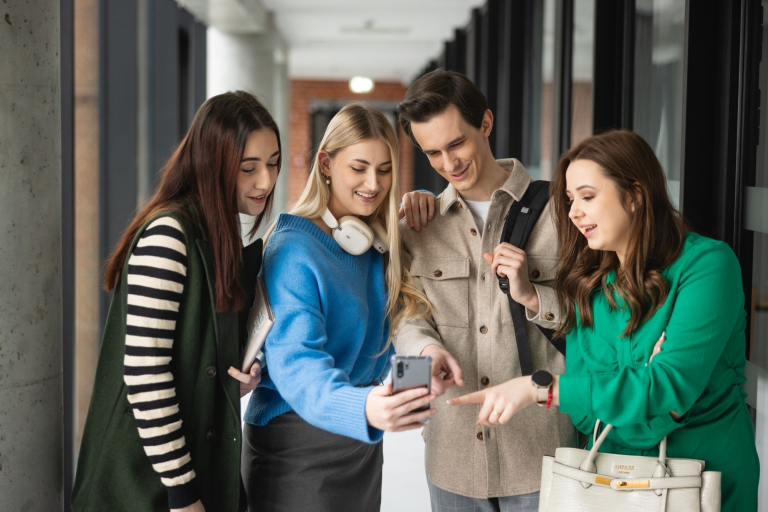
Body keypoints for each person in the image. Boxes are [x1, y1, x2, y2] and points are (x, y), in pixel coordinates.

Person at [449, 130, 760, 512]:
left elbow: (666, 386)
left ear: (635, 195)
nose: (574, 211)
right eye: (570, 199)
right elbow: (588, 411)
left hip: (699, 481)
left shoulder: (708, 266)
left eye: (588, 196)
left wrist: (540, 388)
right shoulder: (591, 283)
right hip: (610, 485)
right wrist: (655, 400)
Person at [72, 91, 280, 512]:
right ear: (213, 164)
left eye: (273, 163)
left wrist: (233, 379)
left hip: (188, 471)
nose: (266, 181)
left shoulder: (216, 236)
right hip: (144, 480)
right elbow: (145, 373)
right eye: (248, 168)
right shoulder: (169, 234)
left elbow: (193, 361)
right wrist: (183, 492)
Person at [394, 69, 577, 511]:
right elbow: (405, 317)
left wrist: (535, 297)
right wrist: (421, 356)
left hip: (543, 453)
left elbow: (595, 324)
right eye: (432, 152)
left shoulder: (564, 214)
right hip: (451, 455)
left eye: (456, 143)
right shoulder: (417, 227)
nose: (448, 163)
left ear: (486, 123)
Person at [241, 103, 435, 512]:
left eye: (385, 170)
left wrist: (423, 371)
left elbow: (386, 343)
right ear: (326, 164)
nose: (374, 182)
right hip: (296, 446)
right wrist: (365, 407)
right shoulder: (294, 249)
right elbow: (297, 364)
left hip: (360, 443)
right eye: (359, 168)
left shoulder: (375, 244)